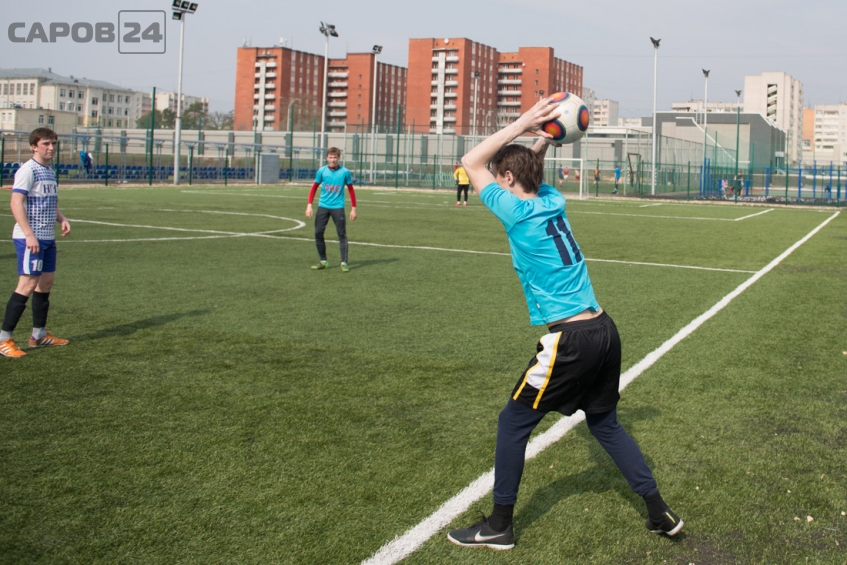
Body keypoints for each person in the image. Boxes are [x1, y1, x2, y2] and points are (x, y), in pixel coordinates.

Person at [446, 99, 682, 550]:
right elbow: (526, 172)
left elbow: (470, 160)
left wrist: (525, 124)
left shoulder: (515, 211)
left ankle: (499, 525)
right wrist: (544, 139)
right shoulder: (553, 200)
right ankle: (658, 510)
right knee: (605, 425)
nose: (491, 181)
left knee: (512, 423)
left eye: (498, 177)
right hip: (604, 329)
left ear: (508, 179)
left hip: (572, 340)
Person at [1, 127, 71, 358]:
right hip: (30, 237)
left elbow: (47, 201)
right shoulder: (28, 170)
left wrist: (61, 218)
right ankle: (3, 339)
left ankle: (38, 335)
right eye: (46, 144)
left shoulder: (49, 171)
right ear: (34, 146)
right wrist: (29, 234)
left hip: (47, 237)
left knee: (45, 283)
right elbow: (16, 203)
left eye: (54, 143)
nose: (51, 148)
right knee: (27, 284)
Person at [305, 147, 357, 272]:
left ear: (338, 158)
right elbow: (314, 187)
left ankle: (344, 262)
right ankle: (323, 261)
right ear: (327, 158)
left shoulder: (345, 172)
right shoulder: (322, 171)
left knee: (341, 234)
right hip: (323, 206)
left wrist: (353, 208)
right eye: (331, 157)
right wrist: (309, 205)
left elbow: (351, 190)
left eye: (335, 157)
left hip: (338, 207)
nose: (333, 160)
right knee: (318, 233)